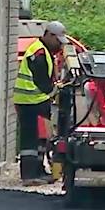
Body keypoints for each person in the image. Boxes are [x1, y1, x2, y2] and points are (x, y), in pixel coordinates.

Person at [14, 21, 67, 181]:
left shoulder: (44, 50)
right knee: (30, 140)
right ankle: (29, 175)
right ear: (49, 35)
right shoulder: (39, 53)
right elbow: (43, 83)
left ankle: (38, 171)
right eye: (58, 41)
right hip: (30, 101)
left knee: (40, 139)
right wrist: (57, 90)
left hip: (36, 101)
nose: (59, 45)